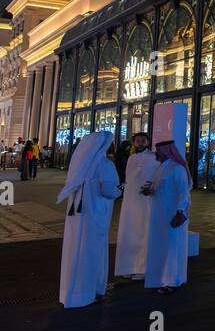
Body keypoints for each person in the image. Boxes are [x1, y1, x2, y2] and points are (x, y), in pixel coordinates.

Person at [57, 131, 122, 308]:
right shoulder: (105, 165)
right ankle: (90, 291)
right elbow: (109, 190)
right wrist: (120, 190)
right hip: (95, 214)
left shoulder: (80, 166)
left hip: (76, 215)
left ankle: (72, 293)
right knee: (91, 250)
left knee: (74, 250)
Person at [144, 138, 191, 294]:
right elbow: (158, 189)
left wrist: (180, 211)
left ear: (166, 152)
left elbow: (183, 193)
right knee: (162, 246)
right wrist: (149, 191)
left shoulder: (177, 169)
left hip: (172, 214)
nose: (156, 154)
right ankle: (160, 278)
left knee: (172, 246)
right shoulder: (161, 168)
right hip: (159, 215)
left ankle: (172, 280)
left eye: (158, 152)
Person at [113, 132, 156, 279]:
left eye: (143, 141)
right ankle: (129, 265)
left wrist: (151, 187)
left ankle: (142, 268)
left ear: (148, 142)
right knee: (129, 232)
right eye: (138, 141)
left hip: (145, 202)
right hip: (130, 202)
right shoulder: (131, 158)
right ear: (134, 143)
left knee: (143, 231)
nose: (140, 143)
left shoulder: (153, 158)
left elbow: (156, 176)